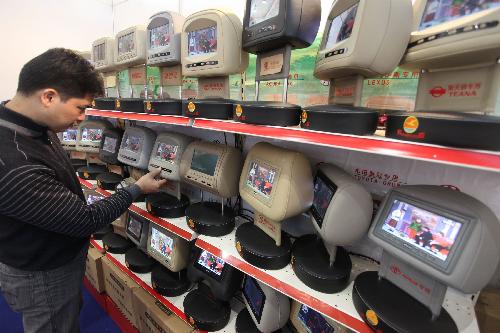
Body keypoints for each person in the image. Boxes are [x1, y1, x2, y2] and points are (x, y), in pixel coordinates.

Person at [0, 48, 166, 333]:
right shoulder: (16, 163)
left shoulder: (29, 124)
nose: (82, 118)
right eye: (80, 107)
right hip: (42, 273)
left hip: (44, 258)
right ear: (48, 97)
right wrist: (136, 188)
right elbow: (84, 221)